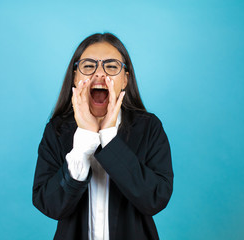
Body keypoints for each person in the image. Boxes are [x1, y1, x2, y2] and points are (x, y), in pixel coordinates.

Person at [32, 33, 173, 240]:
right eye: (88, 66)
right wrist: (84, 144)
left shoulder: (149, 128)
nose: (99, 74)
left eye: (112, 66)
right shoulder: (57, 130)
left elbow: (155, 199)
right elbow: (49, 204)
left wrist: (108, 137)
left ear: (125, 79)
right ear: (75, 77)